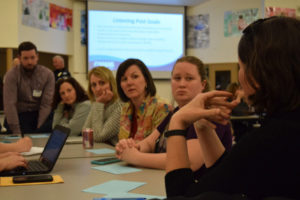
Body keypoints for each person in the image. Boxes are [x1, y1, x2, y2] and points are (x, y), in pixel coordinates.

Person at [164, 16, 300, 199]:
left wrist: (177, 122)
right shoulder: (286, 128)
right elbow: (228, 178)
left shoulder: (272, 138)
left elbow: (183, 196)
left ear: (259, 72)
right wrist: (202, 126)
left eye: (241, 66)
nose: (238, 76)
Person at [115, 56, 232, 180]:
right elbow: (150, 142)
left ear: (203, 84)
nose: (182, 84)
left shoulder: (210, 112)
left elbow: (191, 162)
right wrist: (130, 147)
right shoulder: (175, 112)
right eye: (177, 78)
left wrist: (135, 157)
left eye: (189, 78)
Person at [3, 41, 55, 135]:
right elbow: (10, 104)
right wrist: (17, 132)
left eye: (32, 57)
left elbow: (46, 104)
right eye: (25, 58)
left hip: (40, 115)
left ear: (37, 57)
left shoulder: (48, 74)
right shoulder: (11, 75)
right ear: (19, 58)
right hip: (18, 116)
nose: (29, 62)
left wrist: (39, 129)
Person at [116, 58, 172, 142]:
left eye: (135, 76)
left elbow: (157, 147)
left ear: (146, 80)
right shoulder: (126, 108)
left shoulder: (162, 107)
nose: (129, 82)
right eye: (124, 79)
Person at [82, 66, 122, 145]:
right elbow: (85, 133)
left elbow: (99, 137)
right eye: (94, 85)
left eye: (102, 83)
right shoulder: (99, 104)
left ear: (111, 84)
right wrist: (98, 104)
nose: (97, 89)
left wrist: (98, 104)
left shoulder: (120, 106)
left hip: (116, 153)